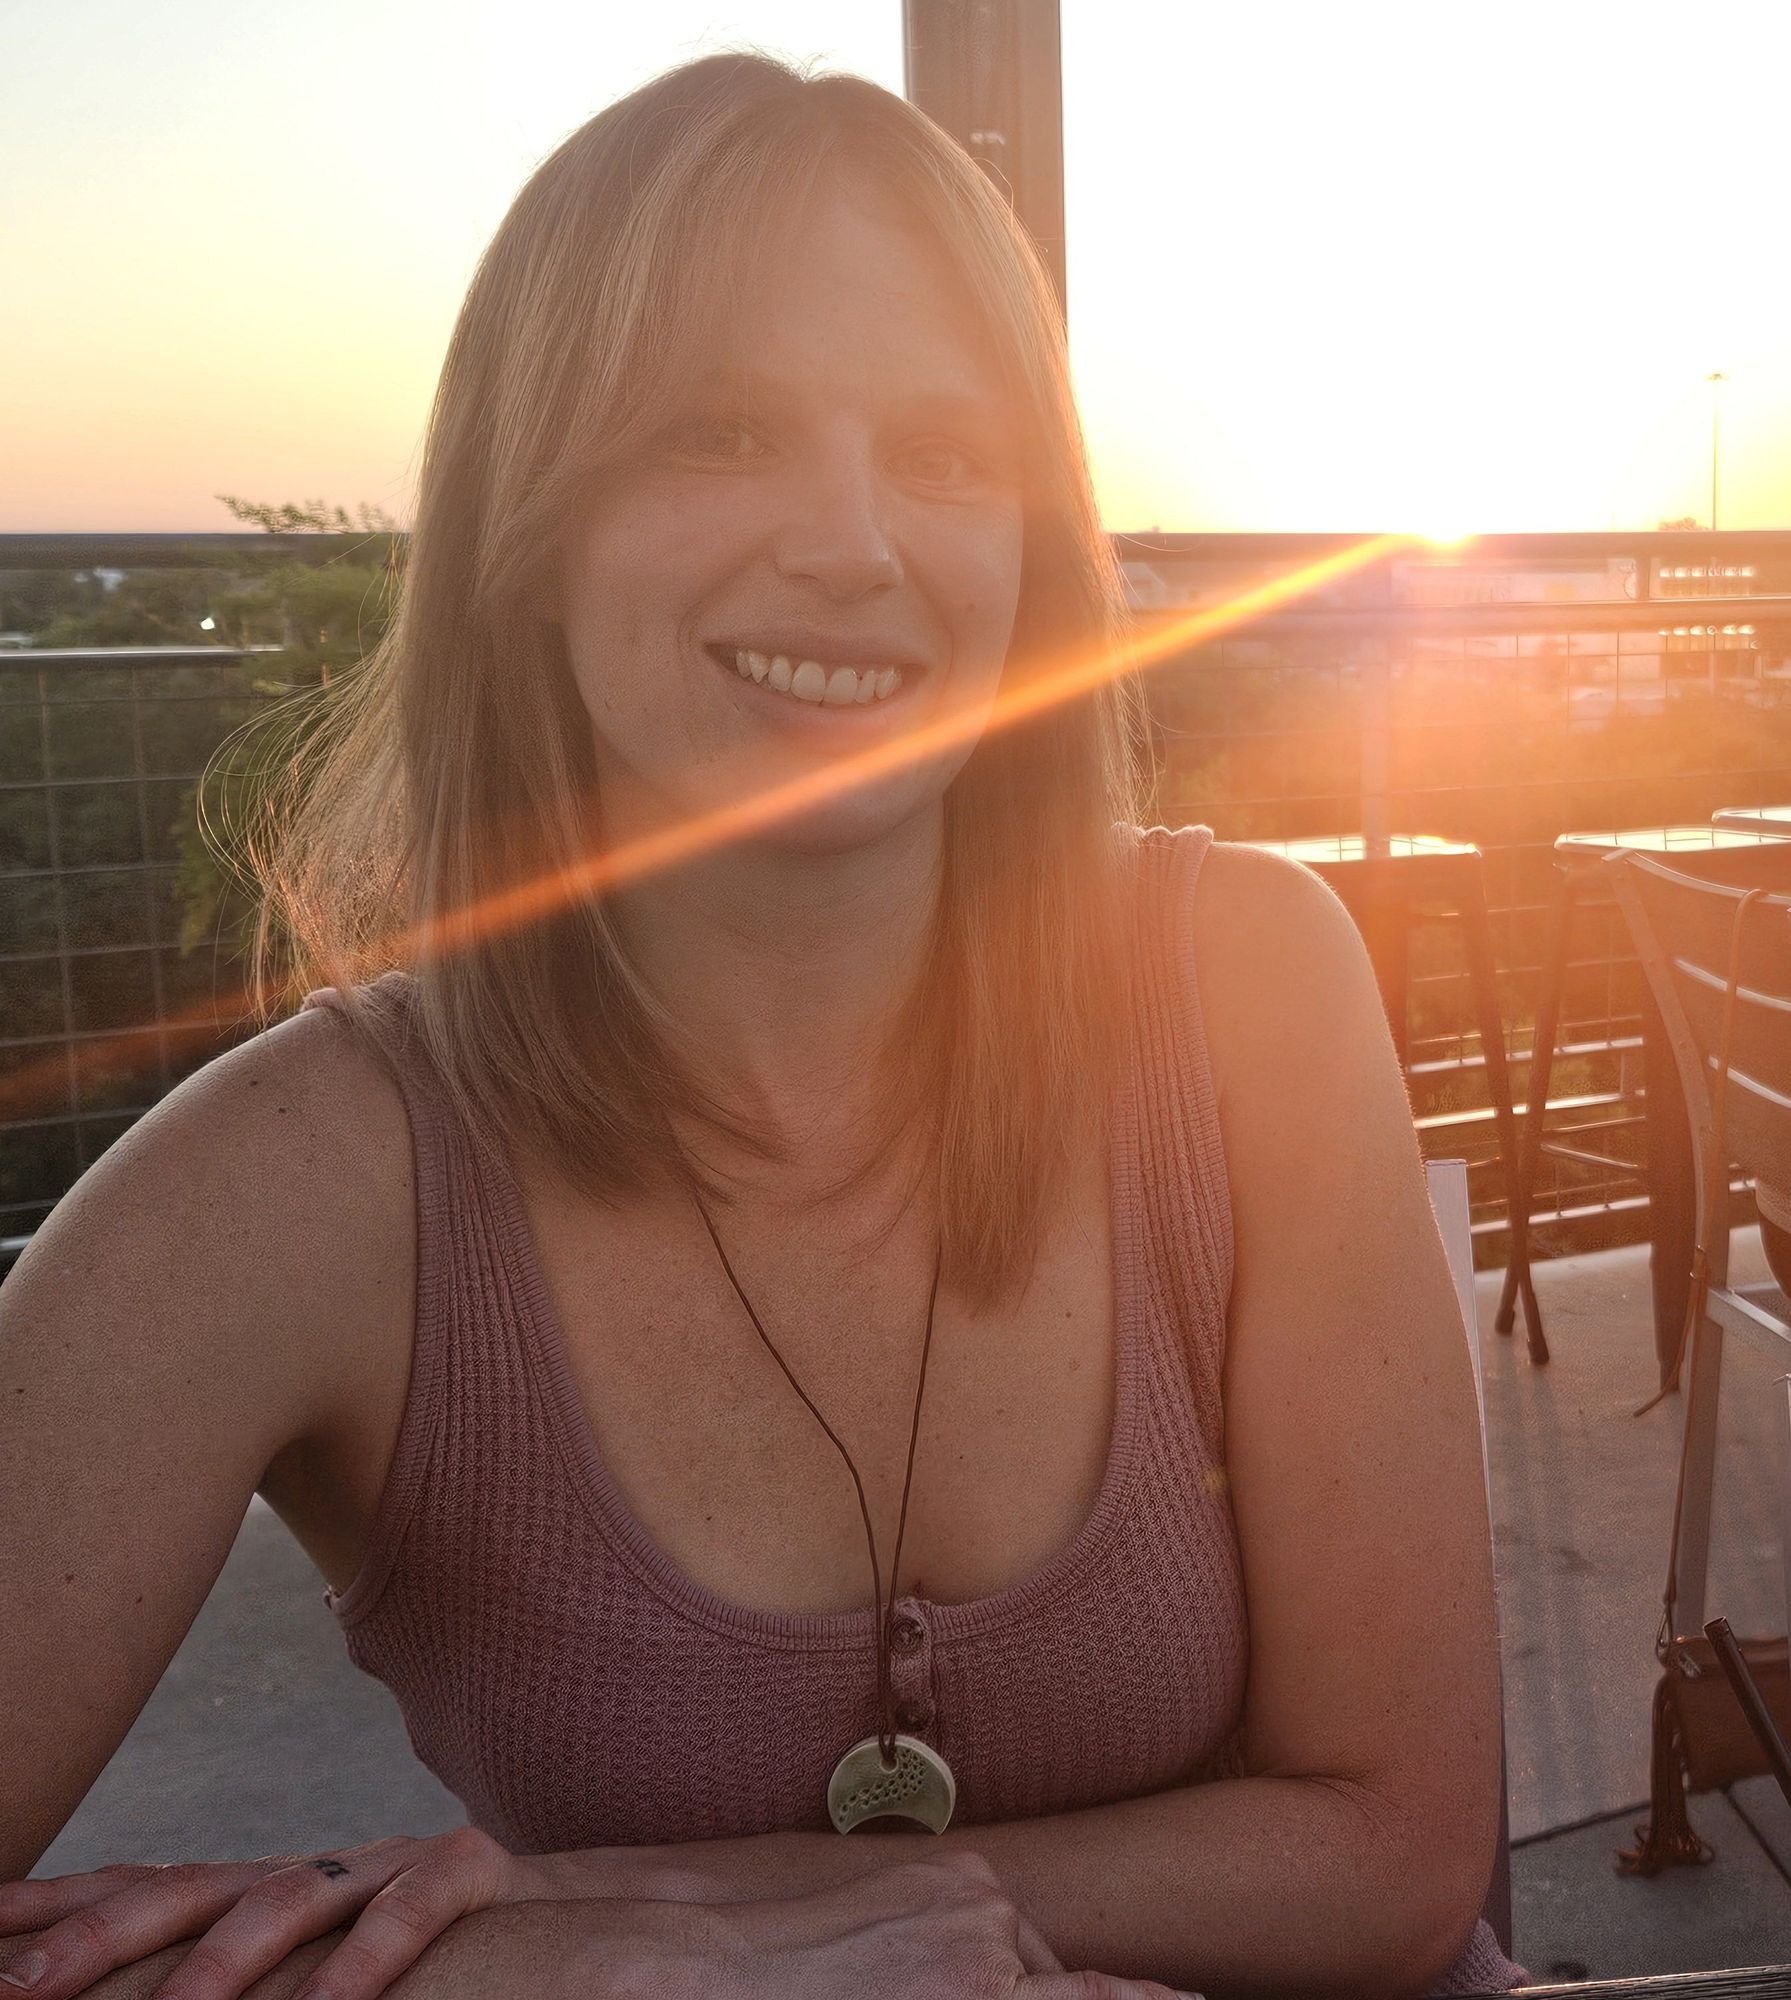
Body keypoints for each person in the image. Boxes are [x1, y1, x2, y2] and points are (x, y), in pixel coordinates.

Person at [0, 52, 1529, 2000]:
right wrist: (514, 1980)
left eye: (945, 450)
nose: (852, 541)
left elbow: (1392, 1852)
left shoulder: (1241, 984)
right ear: (521, 530)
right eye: (718, 432)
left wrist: (670, 1919)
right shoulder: (291, 1182)